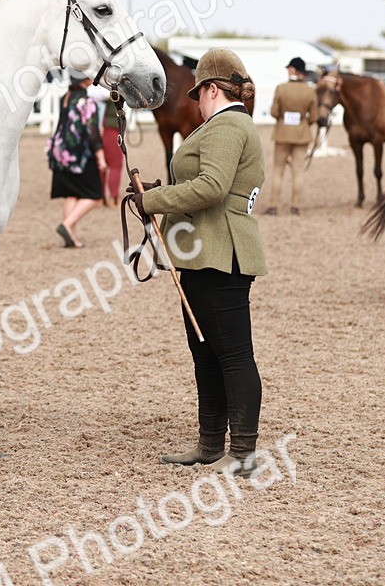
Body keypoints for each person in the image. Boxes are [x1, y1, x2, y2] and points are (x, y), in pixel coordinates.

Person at [128, 48, 267, 475]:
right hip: (204, 251)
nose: (196, 103)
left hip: (219, 253)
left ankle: (243, 453)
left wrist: (153, 198)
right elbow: (202, 183)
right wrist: (160, 191)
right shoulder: (224, 125)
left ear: (210, 89)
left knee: (233, 355)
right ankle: (211, 445)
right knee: (206, 352)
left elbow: (211, 187)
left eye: (197, 95)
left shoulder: (226, 126)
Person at [49, 71, 108, 248]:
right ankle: (67, 224)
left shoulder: (65, 97)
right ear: (87, 80)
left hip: (61, 152)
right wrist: (101, 156)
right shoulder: (87, 101)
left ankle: (71, 236)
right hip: (80, 154)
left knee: (71, 193)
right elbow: (92, 131)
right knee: (95, 195)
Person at [264, 57, 317, 215]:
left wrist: (283, 117)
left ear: (294, 70)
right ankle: (295, 206)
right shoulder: (310, 90)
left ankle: (273, 205)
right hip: (301, 134)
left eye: (289, 68)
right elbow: (313, 117)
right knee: (298, 172)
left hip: (282, 133)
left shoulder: (281, 88)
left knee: (278, 170)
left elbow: (274, 112)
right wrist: (302, 120)